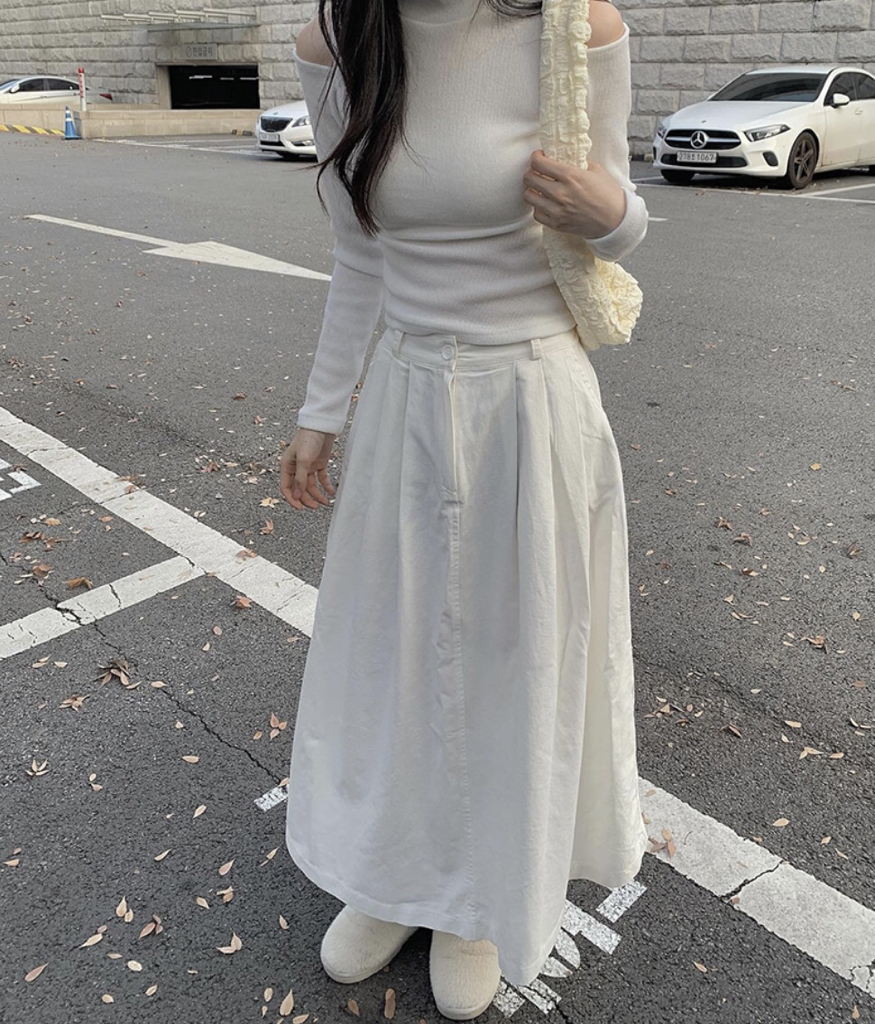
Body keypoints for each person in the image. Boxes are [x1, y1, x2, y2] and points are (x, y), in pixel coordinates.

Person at [279, 0, 650, 1018]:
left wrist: (606, 212)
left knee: (509, 662)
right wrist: (320, 411)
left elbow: (621, 224)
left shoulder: (576, 26)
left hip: (532, 398)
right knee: (395, 656)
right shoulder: (338, 38)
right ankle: (395, 876)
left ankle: (478, 900)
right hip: (404, 397)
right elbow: (358, 251)